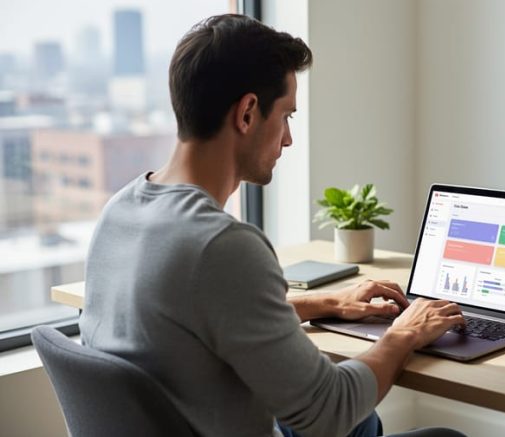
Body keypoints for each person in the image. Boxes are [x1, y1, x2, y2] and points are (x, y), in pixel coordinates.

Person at [79, 14, 466, 437]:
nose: (287, 139)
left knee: (363, 424)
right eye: (286, 117)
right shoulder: (221, 246)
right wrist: (403, 334)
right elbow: (329, 411)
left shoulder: (121, 211)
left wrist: (326, 304)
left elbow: (197, 321)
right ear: (247, 113)